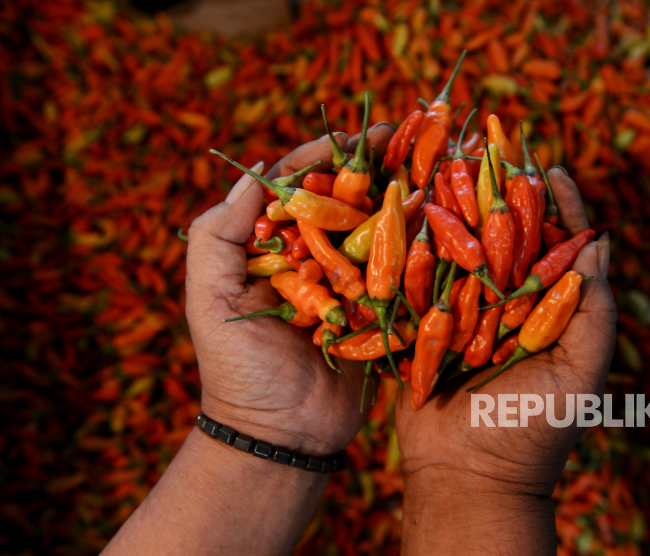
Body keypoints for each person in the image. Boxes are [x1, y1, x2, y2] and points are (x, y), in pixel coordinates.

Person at [100, 123, 616, 555]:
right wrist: (482, 480)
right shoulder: (352, 266)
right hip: (368, 301)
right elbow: (343, 254)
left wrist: (483, 473)